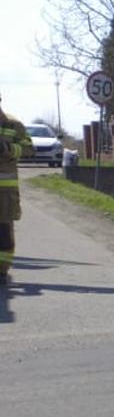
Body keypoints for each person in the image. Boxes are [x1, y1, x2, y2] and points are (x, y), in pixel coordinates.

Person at [0, 94, 25, 289]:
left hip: (4, 192)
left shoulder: (13, 124)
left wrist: (8, 148)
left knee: (4, 231)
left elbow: (28, 149)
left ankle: (2, 269)